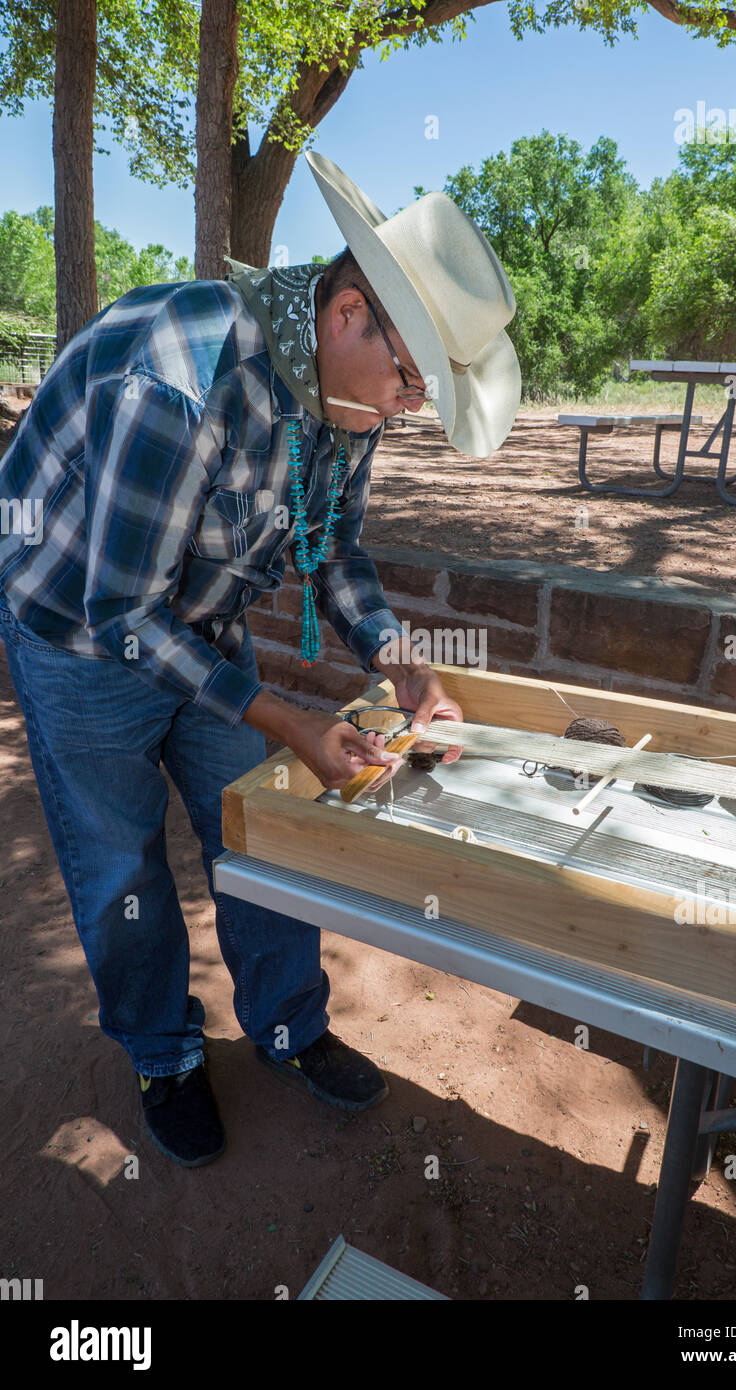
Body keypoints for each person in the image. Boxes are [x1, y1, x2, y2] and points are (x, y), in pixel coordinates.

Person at [0, 151, 521, 1166]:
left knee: (262, 829)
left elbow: (333, 546)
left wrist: (397, 652)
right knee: (121, 869)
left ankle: (285, 1024)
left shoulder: (352, 393)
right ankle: (162, 1053)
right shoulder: (180, 377)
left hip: (194, 618)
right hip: (79, 631)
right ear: (345, 316)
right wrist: (284, 717)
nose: (410, 407)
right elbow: (124, 613)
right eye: (411, 378)